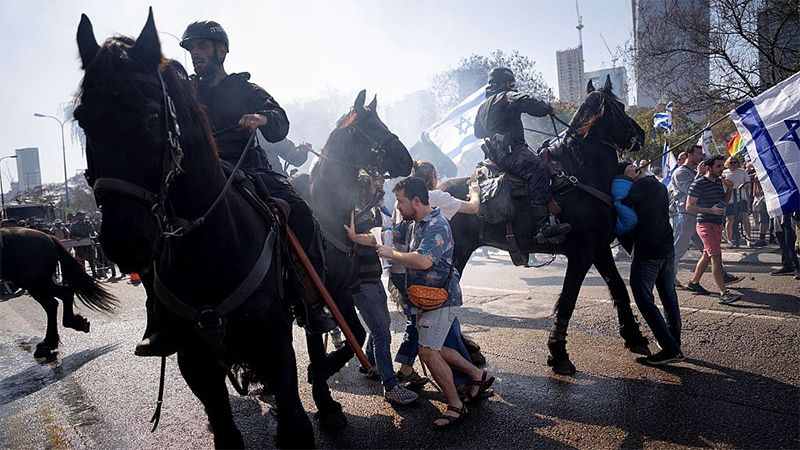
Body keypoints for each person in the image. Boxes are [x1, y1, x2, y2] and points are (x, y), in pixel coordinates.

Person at [136, 20, 335, 357]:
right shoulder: (186, 91)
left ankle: (312, 301)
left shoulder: (246, 89)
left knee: (299, 211)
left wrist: (262, 119)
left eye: (201, 47)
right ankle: (158, 321)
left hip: (246, 167)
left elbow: (279, 118)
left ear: (221, 50)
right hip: (196, 173)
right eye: (191, 49)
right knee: (152, 224)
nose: (195, 54)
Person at [378, 177, 493, 429]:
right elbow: (388, 232)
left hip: (441, 299)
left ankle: (455, 405)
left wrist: (391, 253)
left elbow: (424, 261)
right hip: (426, 298)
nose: (397, 207)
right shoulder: (413, 223)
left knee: (428, 351)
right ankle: (477, 375)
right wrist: (361, 236)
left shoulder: (437, 224)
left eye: (400, 201)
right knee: (436, 347)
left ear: (416, 201)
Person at [391, 161, 483, 392]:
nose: (400, 207)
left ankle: (405, 367)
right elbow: (473, 208)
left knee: (424, 329)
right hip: (425, 280)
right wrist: (474, 192)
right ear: (432, 177)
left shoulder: (412, 206)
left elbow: (417, 254)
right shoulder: (436, 199)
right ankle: (465, 381)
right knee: (437, 333)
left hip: (409, 275)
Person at [344, 174, 419, 405]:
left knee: (382, 325)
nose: (381, 188)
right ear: (364, 188)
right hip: (360, 282)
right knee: (381, 332)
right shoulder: (353, 212)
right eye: (376, 185)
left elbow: (383, 235)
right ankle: (390, 386)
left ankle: (371, 363)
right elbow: (363, 238)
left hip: (373, 279)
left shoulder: (375, 210)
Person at [473, 67, 570, 242]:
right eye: (510, 83)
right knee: (539, 169)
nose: (512, 86)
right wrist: (547, 108)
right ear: (505, 83)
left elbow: (478, 133)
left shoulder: (482, 107)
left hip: (495, 156)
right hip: (512, 152)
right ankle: (543, 226)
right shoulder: (506, 96)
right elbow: (528, 103)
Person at [619, 163, 683, 365]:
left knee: (643, 298)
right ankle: (674, 343)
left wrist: (625, 179)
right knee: (668, 296)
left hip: (649, 250)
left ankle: (670, 348)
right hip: (666, 248)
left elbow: (622, 202)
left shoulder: (641, 186)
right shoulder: (658, 186)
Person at [684, 155, 741, 304]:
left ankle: (694, 283)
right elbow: (689, 207)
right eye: (719, 166)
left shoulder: (718, 182)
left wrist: (729, 189)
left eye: (723, 165)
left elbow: (723, 203)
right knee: (716, 257)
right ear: (709, 168)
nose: (722, 169)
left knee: (707, 255)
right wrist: (710, 210)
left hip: (716, 223)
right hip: (705, 224)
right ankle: (724, 293)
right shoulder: (698, 184)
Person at [669, 144, 704, 285]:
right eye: (697, 154)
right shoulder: (680, 173)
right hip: (684, 216)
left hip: (696, 215)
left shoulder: (693, 171)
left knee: (709, 249)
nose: (700, 157)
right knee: (678, 250)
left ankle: (723, 275)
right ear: (689, 155)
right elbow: (690, 189)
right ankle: (669, 278)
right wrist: (699, 174)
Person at [722, 156, 752, 246]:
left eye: (735, 162)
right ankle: (730, 240)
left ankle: (748, 238)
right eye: (731, 163)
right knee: (729, 219)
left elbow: (748, 183)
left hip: (741, 198)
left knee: (745, 218)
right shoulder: (724, 172)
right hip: (729, 198)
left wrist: (744, 188)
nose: (733, 164)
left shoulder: (742, 172)